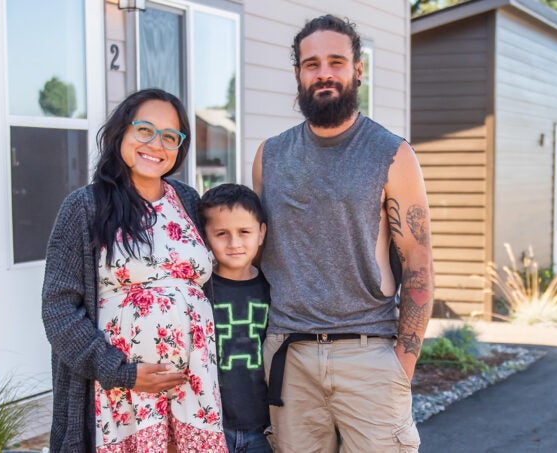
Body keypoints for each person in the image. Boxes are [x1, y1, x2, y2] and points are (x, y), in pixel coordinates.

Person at [252, 14, 434, 453]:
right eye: (311, 64)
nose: (324, 73)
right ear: (297, 74)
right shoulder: (269, 156)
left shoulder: (392, 153)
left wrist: (401, 364)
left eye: (336, 61)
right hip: (288, 356)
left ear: (358, 69)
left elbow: (418, 262)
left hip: (367, 351)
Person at [42, 88, 228, 452]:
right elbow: (58, 310)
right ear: (122, 132)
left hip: (192, 389)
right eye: (145, 130)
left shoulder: (187, 200)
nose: (156, 144)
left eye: (170, 137)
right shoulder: (84, 207)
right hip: (118, 393)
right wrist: (120, 372)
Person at [199, 184, 273, 453]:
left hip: (263, 427)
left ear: (261, 233)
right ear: (205, 238)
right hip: (211, 427)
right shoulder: (198, 291)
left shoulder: (274, 289)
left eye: (244, 232)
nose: (234, 243)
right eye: (221, 234)